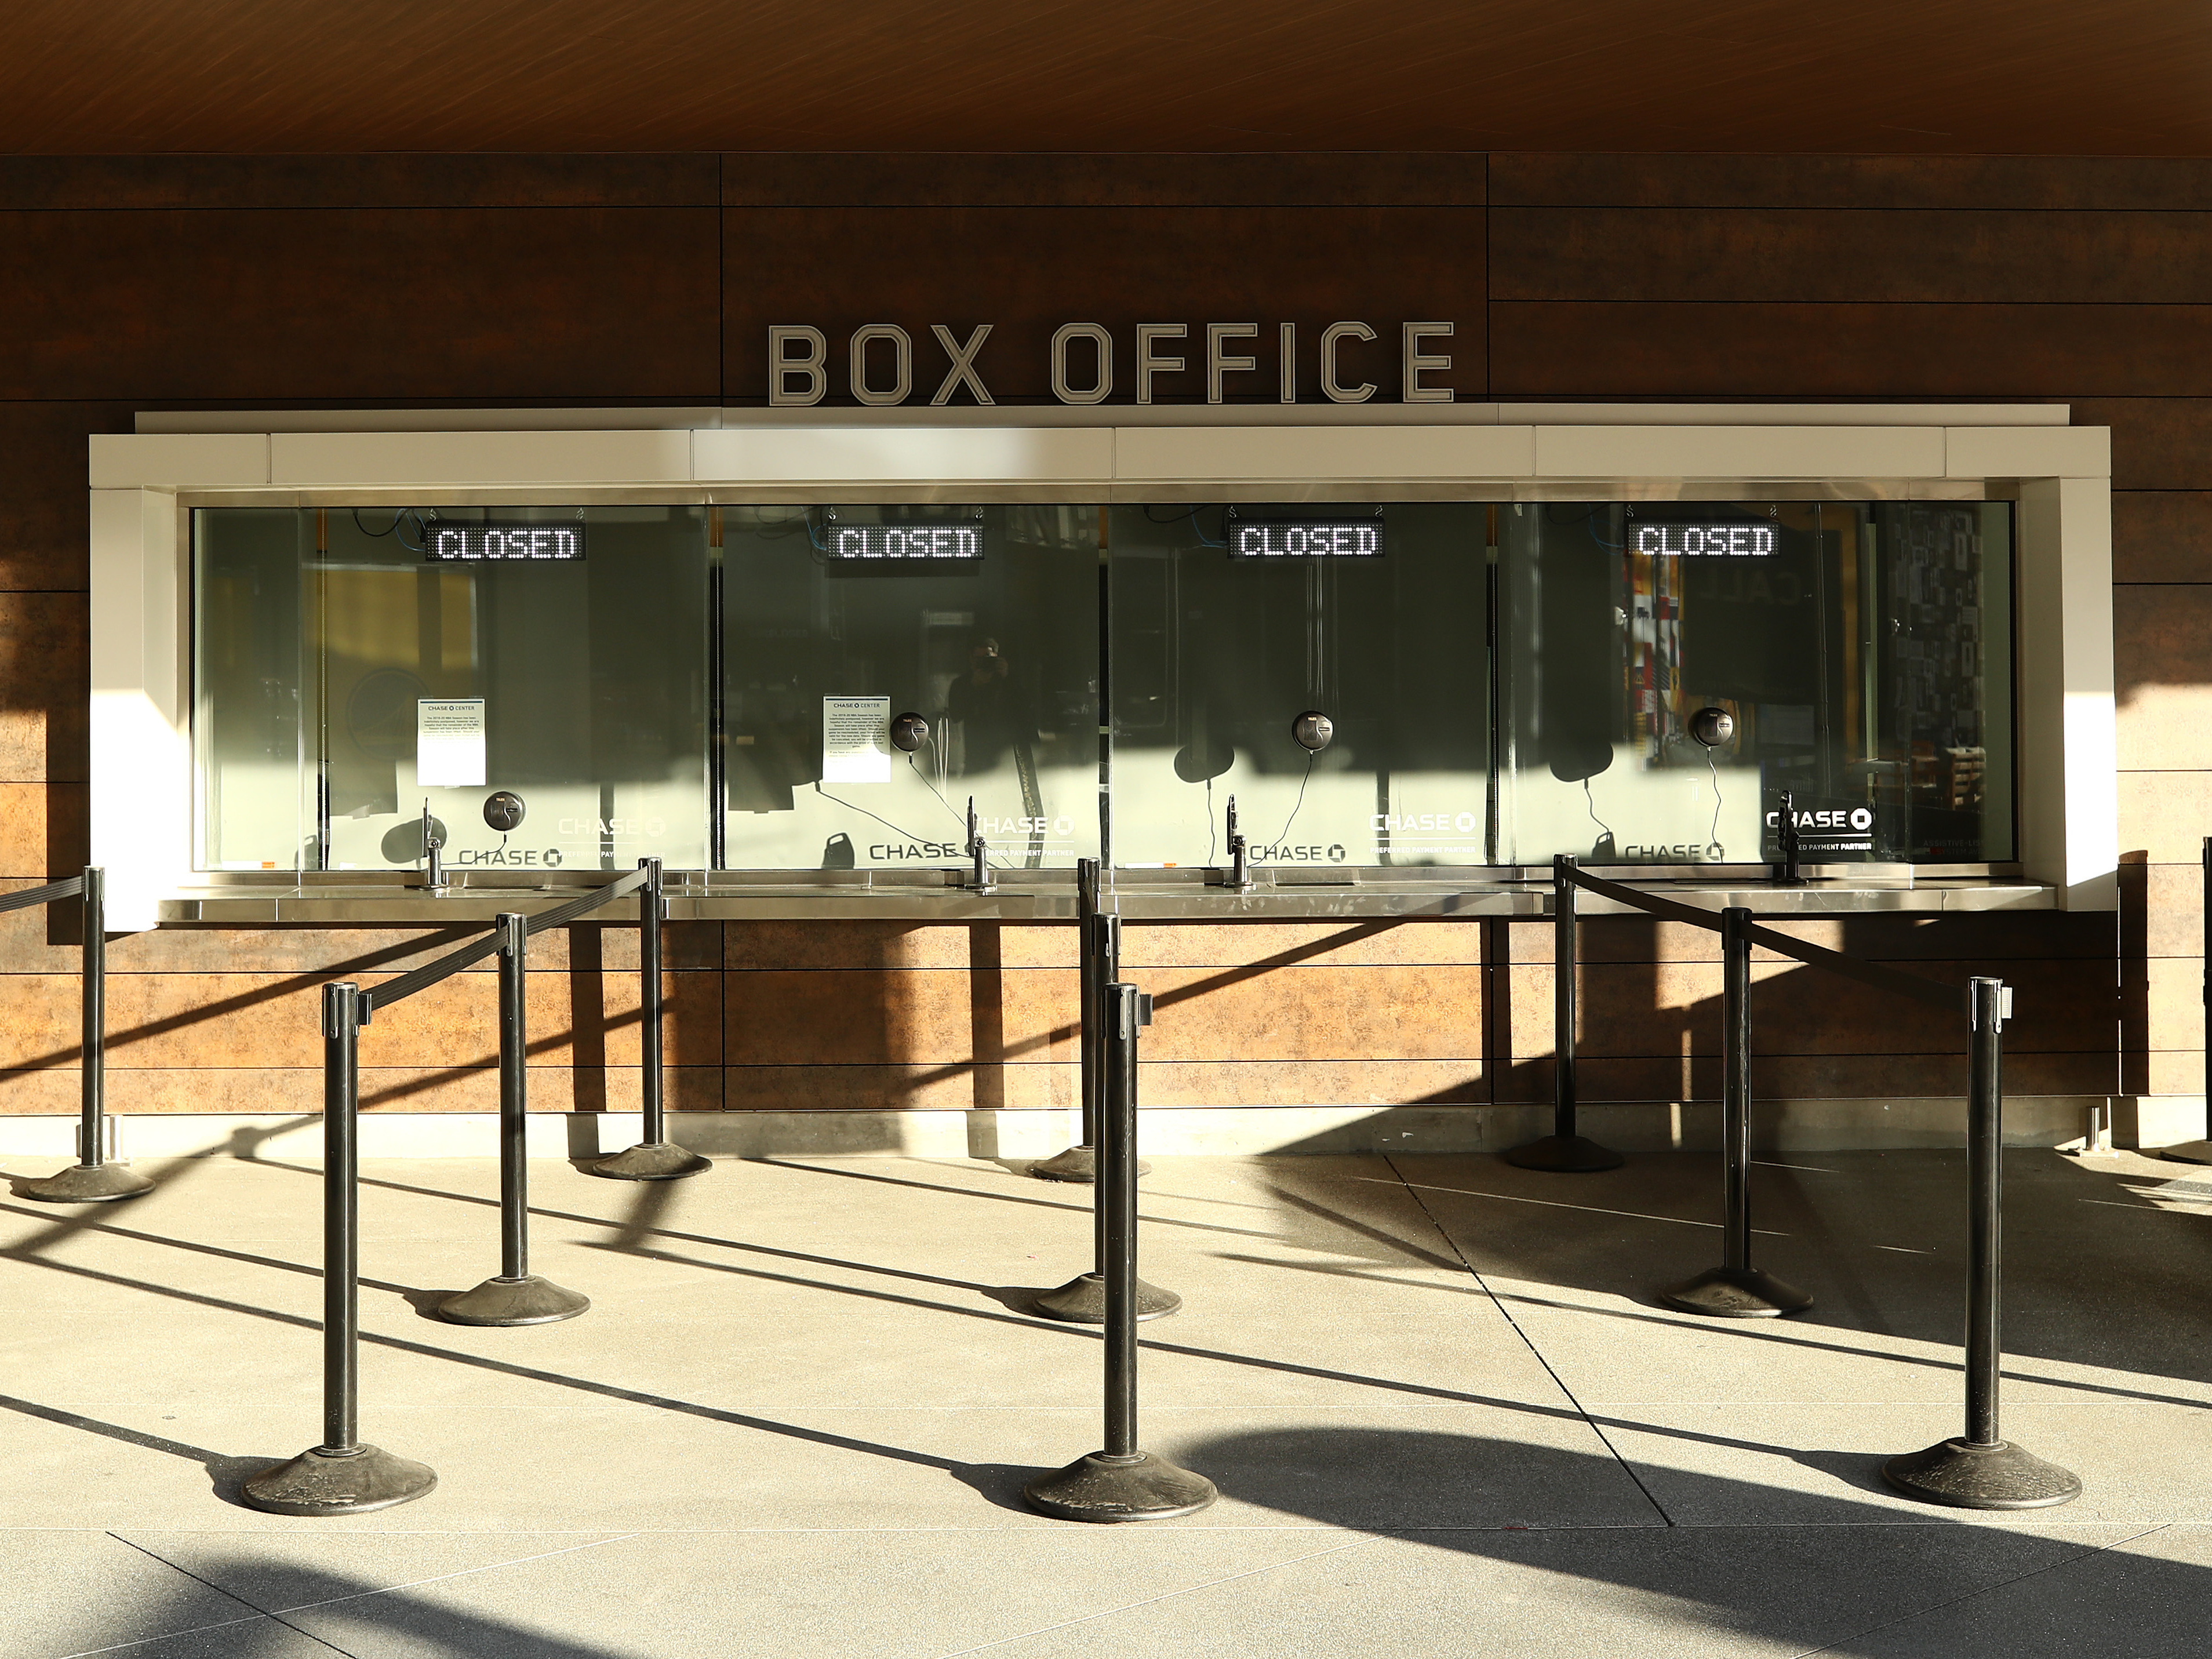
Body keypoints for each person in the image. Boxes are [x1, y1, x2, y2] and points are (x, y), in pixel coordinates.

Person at [947, 636, 1020, 773]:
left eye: (987, 658)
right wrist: (973, 686)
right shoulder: (962, 684)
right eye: (978, 659)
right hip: (976, 753)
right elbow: (955, 715)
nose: (983, 663)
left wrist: (1006, 678)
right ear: (971, 660)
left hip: (1007, 752)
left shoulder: (1009, 681)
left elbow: (1022, 709)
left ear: (997, 658)